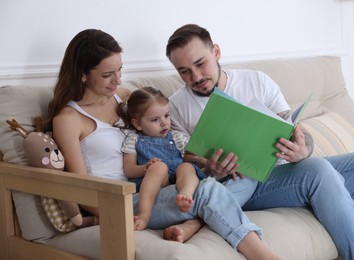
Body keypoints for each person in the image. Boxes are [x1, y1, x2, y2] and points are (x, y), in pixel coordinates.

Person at [47, 28, 281, 260]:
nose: (118, 80)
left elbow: (160, 121)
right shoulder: (69, 119)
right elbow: (80, 187)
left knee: (224, 176)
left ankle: (196, 224)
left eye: (120, 70)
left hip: (156, 186)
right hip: (120, 200)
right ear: (83, 74)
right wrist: (112, 214)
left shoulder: (124, 96)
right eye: (108, 75)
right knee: (208, 191)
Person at [165, 23, 354, 260]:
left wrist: (303, 148)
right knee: (318, 169)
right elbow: (185, 160)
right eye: (184, 71)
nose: (196, 77)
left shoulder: (257, 82)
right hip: (240, 184)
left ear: (217, 52)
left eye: (200, 64)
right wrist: (208, 166)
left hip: (282, 172)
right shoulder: (177, 107)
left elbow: (294, 128)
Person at [118, 86, 205, 230]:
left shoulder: (176, 137)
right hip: (153, 182)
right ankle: (144, 214)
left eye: (167, 115)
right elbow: (129, 170)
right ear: (137, 124)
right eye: (155, 120)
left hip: (177, 180)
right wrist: (145, 168)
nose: (164, 123)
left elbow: (189, 157)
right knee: (159, 166)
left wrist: (201, 160)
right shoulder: (133, 139)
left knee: (186, 167)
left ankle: (185, 195)